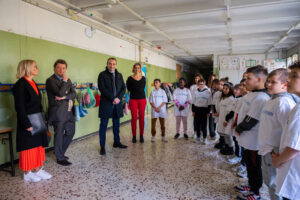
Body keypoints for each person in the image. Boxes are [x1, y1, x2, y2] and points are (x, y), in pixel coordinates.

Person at [258, 68, 296, 200]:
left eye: (272, 82)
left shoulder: (284, 102)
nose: (268, 84)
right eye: (267, 81)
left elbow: (289, 133)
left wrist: (277, 153)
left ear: (284, 84)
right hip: (266, 150)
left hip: (274, 152)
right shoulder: (272, 99)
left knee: (275, 185)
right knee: (269, 183)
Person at [13, 59, 51, 182]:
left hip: (38, 120)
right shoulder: (20, 84)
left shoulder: (33, 82)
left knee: (38, 146)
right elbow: (20, 107)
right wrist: (26, 124)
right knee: (28, 147)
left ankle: (37, 169)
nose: (37, 68)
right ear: (28, 68)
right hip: (28, 121)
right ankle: (27, 173)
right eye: (35, 66)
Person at [235, 65, 270, 200]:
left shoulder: (261, 97)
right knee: (249, 165)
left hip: (254, 141)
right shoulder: (253, 95)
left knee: (255, 167)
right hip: (247, 139)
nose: (246, 81)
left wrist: (239, 129)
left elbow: (251, 119)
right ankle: (250, 185)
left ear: (259, 79)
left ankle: (255, 193)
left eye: (248, 78)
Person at [272, 61, 300, 200]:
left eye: (294, 76)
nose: (288, 79)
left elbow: (295, 147)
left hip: (294, 172)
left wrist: (278, 161)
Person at [46, 59, 76, 166]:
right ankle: (59, 157)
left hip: (69, 111)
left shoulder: (68, 79)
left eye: (63, 68)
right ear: (54, 68)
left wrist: (65, 97)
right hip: (57, 112)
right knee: (59, 134)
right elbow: (59, 92)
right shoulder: (50, 80)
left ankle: (60, 152)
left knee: (71, 132)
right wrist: (64, 82)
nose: (61, 70)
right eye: (59, 68)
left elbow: (74, 93)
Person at [98, 57, 127, 155]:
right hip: (106, 104)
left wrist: (118, 98)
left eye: (114, 64)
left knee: (116, 125)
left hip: (117, 104)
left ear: (116, 65)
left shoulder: (119, 75)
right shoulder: (102, 75)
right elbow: (102, 88)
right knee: (103, 126)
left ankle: (117, 142)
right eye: (110, 63)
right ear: (107, 64)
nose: (112, 65)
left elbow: (123, 88)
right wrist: (113, 98)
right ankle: (102, 146)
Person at [126, 63, 147, 143]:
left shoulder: (143, 78)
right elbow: (129, 88)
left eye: (138, 68)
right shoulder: (129, 78)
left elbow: (142, 88)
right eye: (135, 68)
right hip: (133, 100)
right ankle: (134, 136)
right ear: (133, 69)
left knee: (142, 117)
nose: (137, 69)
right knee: (134, 118)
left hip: (142, 99)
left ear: (140, 69)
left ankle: (141, 135)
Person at [216, 82, 235, 155]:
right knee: (223, 133)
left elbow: (230, 111)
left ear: (230, 89)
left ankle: (230, 149)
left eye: (226, 88)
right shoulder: (223, 98)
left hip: (227, 120)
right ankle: (226, 146)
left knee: (228, 134)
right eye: (223, 88)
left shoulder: (231, 99)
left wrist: (226, 120)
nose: (224, 90)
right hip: (221, 118)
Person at [192, 79, 211, 144]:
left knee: (204, 125)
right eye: (200, 84)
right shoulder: (195, 92)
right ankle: (198, 137)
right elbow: (193, 102)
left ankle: (204, 138)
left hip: (204, 110)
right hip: (197, 110)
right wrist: (193, 111)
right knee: (197, 125)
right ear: (198, 85)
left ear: (204, 84)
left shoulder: (207, 92)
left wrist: (208, 112)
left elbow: (209, 103)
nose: (201, 86)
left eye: (202, 84)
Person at [190, 73, 204, 138]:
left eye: (198, 78)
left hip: (202, 105)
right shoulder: (192, 87)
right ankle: (195, 132)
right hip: (194, 105)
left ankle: (201, 132)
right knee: (195, 120)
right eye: (195, 78)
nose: (196, 79)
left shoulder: (203, 86)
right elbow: (191, 97)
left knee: (201, 120)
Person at [213, 79, 225, 148]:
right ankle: (221, 141)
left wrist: (220, 114)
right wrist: (214, 112)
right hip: (217, 114)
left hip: (222, 115)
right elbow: (213, 103)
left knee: (223, 130)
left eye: (222, 85)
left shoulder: (227, 94)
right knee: (219, 129)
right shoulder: (217, 93)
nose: (220, 86)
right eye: (219, 84)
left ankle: (224, 143)